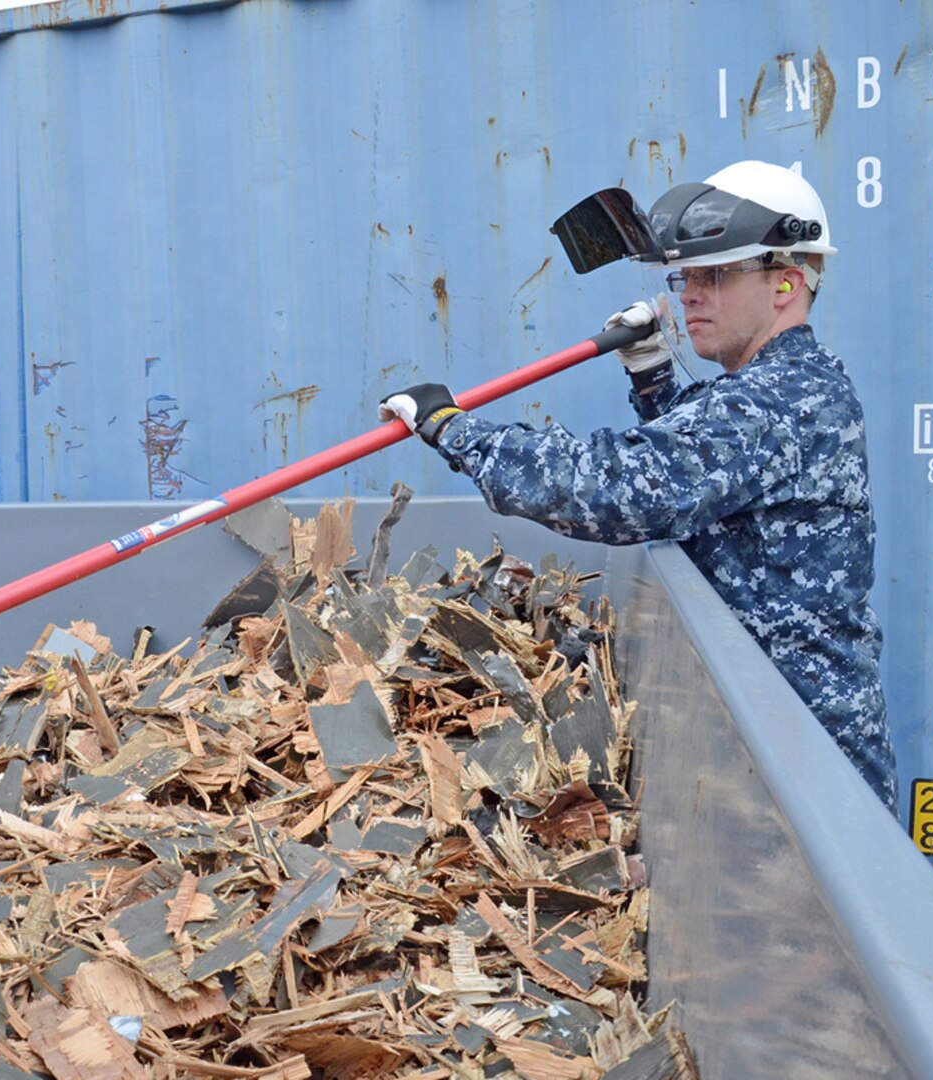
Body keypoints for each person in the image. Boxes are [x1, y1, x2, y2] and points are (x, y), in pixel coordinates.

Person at [379, 161, 898, 812]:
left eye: (718, 274)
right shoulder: (781, 393)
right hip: (783, 755)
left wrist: (454, 430)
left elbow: (619, 490)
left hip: (809, 778)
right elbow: (715, 486)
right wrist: (653, 377)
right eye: (685, 276)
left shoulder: (781, 401)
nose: (691, 295)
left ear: (788, 282)